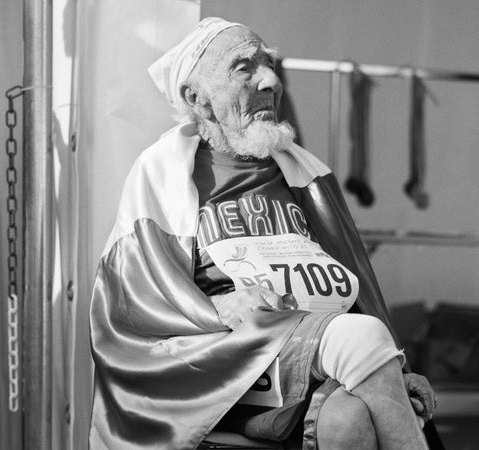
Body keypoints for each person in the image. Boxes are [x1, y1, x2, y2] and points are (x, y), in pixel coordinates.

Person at [89, 17, 442, 450]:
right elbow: (130, 307)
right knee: (362, 335)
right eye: (244, 68)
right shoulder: (160, 175)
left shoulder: (305, 174)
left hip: (312, 358)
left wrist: (396, 370)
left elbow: (357, 282)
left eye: (269, 64)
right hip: (225, 364)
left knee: (347, 421)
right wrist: (218, 306)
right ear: (196, 99)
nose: (271, 81)